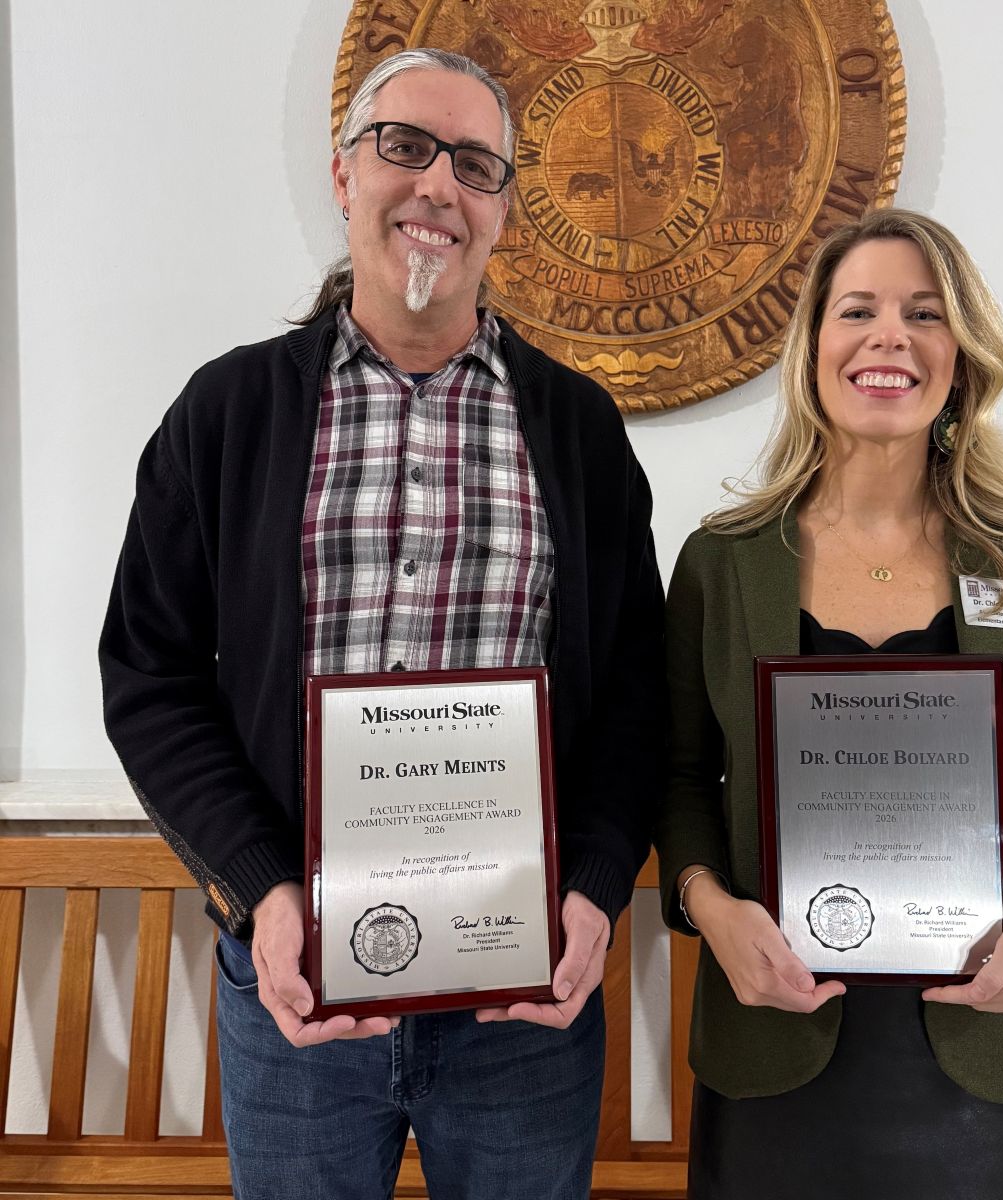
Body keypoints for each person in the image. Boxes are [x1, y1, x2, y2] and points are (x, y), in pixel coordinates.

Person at [99, 49, 663, 1200]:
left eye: (474, 163)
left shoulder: (578, 429)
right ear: (345, 173)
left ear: (503, 209)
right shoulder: (228, 412)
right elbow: (150, 674)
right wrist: (263, 887)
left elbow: (641, 695)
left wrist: (597, 886)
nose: (436, 187)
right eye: (405, 146)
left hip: (523, 1014)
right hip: (295, 995)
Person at [656, 208, 1003, 1199]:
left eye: (924, 313)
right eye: (857, 310)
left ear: (962, 354)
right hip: (774, 1047)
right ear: (813, 347)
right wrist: (710, 908)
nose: (889, 338)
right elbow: (683, 776)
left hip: (985, 1048)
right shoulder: (724, 563)